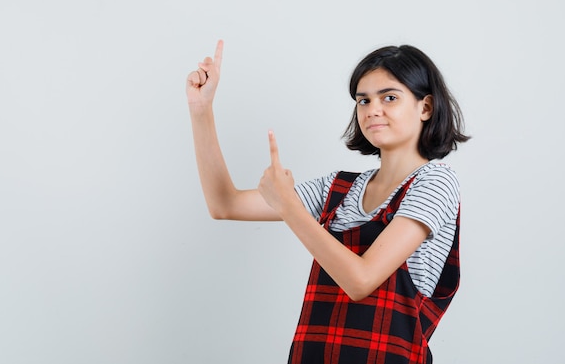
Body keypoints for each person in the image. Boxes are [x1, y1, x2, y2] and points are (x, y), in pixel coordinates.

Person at [185, 40, 469, 364]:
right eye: (363, 100)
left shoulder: (436, 181)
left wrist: (288, 206)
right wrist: (201, 110)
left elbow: (360, 281)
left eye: (389, 97)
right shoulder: (338, 188)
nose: (372, 109)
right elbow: (225, 204)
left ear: (426, 107)